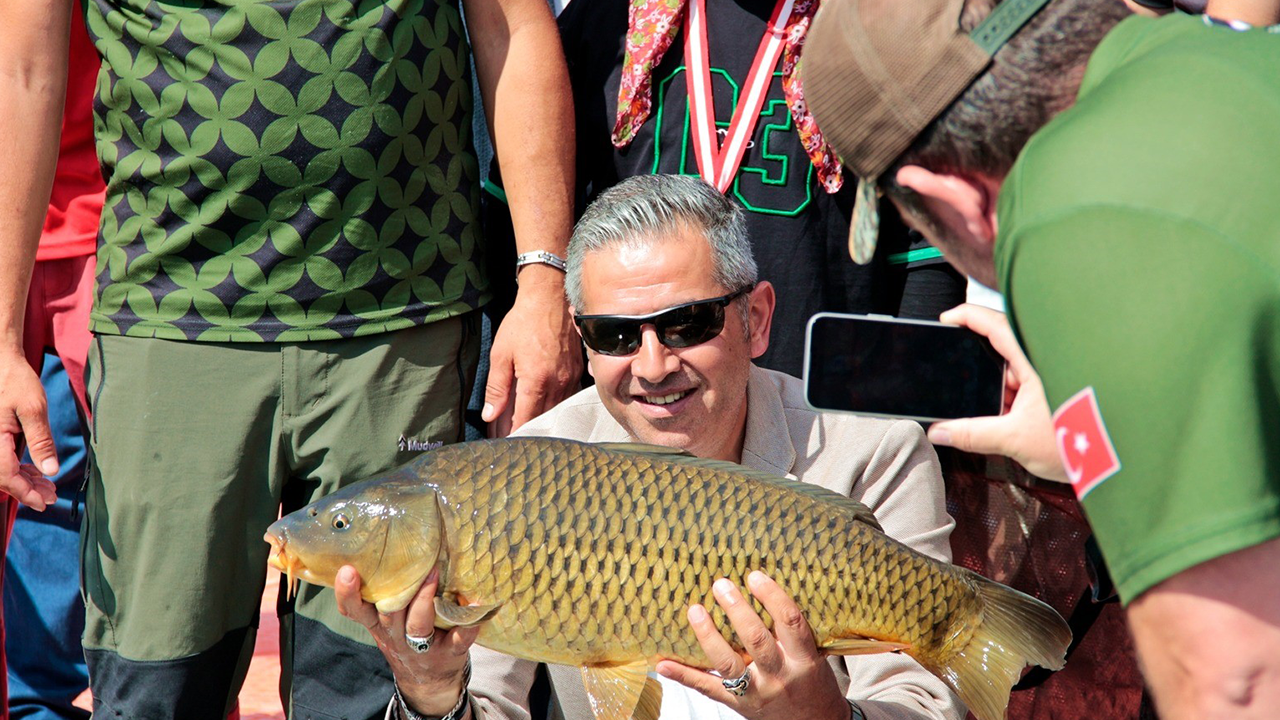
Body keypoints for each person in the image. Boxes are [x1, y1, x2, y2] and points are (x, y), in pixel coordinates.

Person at [0, 1, 580, 718]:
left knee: (379, 684)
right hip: (177, 314)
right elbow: (21, 70)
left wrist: (544, 278)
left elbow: (514, 26)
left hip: (399, 321)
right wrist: (1, 338)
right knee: (155, 687)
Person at [801, 0, 1280, 717]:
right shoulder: (1232, 56)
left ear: (951, 200)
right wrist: (1090, 447)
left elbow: (1233, 679)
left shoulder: (1070, 220)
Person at [337, 174, 964, 720]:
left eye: (688, 324)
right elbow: (490, 707)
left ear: (758, 319)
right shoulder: (519, 475)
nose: (654, 365)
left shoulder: (873, 452)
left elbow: (925, 704)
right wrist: (430, 695)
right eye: (613, 335)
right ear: (583, 345)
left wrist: (825, 718)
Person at [481, 0, 968, 380]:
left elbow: (931, 251)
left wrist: (901, 410)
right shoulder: (613, 21)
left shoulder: (891, 35)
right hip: (637, 406)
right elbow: (523, 220)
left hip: (819, 419)